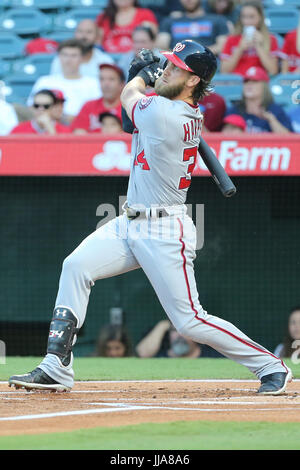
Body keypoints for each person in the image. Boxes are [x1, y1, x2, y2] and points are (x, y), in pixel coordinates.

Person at [9, 40, 292, 396]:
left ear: (192, 82)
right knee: (76, 265)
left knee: (189, 320)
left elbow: (129, 97)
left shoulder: (167, 113)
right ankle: (57, 367)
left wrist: (141, 73)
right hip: (130, 220)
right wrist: (147, 76)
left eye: (176, 68)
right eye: (168, 65)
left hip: (164, 228)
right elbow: (131, 123)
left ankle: (271, 365)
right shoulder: (171, 107)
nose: (168, 70)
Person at [27, 39, 102, 124]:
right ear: (59, 57)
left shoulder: (94, 83)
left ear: (82, 58)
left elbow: (98, 111)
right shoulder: (44, 81)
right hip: (48, 127)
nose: (68, 60)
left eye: (73, 56)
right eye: (65, 55)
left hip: (83, 129)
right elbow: (32, 107)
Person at [226, 66, 293, 133]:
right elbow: (223, 135)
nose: (249, 84)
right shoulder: (234, 110)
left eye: (255, 81)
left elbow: (288, 139)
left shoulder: (275, 110)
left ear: (264, 86)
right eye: (246, 81)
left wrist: (271, 120)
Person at [220, 0, 279, 76]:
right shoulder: (232, 39)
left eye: (252, 17)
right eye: (244, 17)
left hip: (260, 82)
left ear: (260, 17)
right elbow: (224, 71)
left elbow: (273, 70)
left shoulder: (270, 39)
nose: (247, 21)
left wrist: (259, 46)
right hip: (238, 82)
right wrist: (240, 49)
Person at [157, 0, 229, 56]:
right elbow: (161, 46)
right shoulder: (170, 21)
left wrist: (197, 54)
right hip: (177, 63)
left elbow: (223, 46)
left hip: (207, 63)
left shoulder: (218, 20)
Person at [71, 63, 125, 134]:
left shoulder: (129, 108)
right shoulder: (89, 106)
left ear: (122, 84)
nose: (106, 84)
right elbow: (77, 132)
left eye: (111, 79)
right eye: (102, 79)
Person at [50, 20, 114, 78]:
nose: (84, 36)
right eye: (80, 31)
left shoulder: (105, 61)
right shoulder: (61, 60)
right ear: (75, 34)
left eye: (89, 32)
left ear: (97, 36)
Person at [136, 320, 222, 358]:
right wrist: (162, 325)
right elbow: (143, 354)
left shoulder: (212, 356)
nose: (179, 335)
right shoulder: (161, 358)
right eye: (174, 330)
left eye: (184, 331)